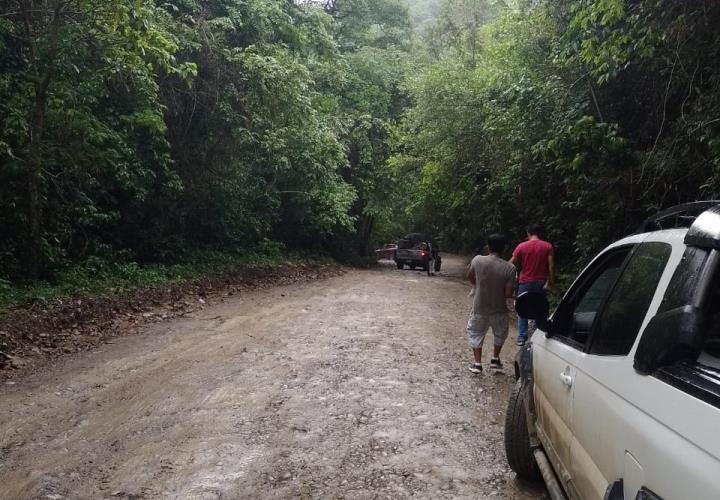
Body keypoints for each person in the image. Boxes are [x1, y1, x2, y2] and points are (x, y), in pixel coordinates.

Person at [466, 234, 517, 374]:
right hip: (499, 308)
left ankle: (477, 364)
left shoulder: (477, 260)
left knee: (476, 332)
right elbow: (507, 294)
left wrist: (478, 286)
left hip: (479, 307)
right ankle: (495, 359)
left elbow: (469, 276)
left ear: (488, 247)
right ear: (504, 249)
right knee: (500, 333)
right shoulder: (510, 268)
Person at [509, 224, 556, 346]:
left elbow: (511, 264)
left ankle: (521, 337)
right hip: (541, 283)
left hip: (525, 282)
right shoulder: (547, 246)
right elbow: (551, 266)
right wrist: (550, 281)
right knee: (540, 309)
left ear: (528, 233)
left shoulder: (522, 246)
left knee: (522, 309)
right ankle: (537, 335)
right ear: (538, 233)